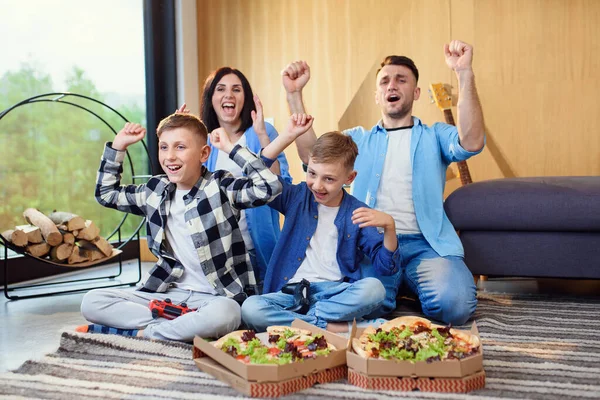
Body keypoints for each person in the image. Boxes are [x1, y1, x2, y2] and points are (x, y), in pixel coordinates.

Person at [282, 40, 485, 326]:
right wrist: (294, 96)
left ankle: (405, 286)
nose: (392, 85)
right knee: (362, 305)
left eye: (401, 80)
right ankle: (397, 289)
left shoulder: (435, 136)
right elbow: (314, 157)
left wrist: (464, 73)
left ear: (415, 92)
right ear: (377, 95)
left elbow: (472, 141)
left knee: (454, 306)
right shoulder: (358, 139)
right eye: (385, 81)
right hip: (371, 245)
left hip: (426, 246)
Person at [79, 111, 305, 342]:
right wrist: (118, 146)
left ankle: (149, 332)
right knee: (92, 302)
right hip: (167, 294)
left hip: (214, 298)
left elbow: (270, 187)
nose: (170, 157)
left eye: (180, 147)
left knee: (227, 315)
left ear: (204, 153)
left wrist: (231, 149)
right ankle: (180, 325)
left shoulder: (220, 186)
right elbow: (106, 194)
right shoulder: (154, 191)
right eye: (164, 147)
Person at [241, 127, 401, 333]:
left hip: (334, 294)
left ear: (350, 178)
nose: (317, 185)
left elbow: (386, 267)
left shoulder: (357, 212)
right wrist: (288, 135)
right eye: (312, 174)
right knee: (251, 308)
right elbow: (256, 175)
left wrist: (389, 227)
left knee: (375, 289)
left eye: (329, 179)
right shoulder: (296, 196)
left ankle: (303, 322)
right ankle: (332, 327)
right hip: (290, 293)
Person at [198, 67, 293, 286]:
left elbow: (280, 186)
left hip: (260, 247)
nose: (228, 95)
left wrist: (261, 134)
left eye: (236, 89)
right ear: (211, 99)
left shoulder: (264, 131)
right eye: (220, 89)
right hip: (219, 252)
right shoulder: (204, 140)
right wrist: (183, 138)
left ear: (246, 98)